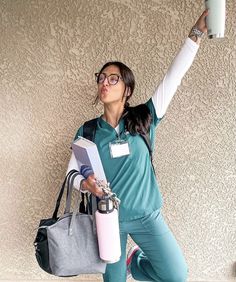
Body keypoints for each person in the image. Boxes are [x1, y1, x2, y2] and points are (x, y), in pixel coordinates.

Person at [66, 10, 208, 282]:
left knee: (176, 276)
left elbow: (174, 77)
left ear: (127, 89)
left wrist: (197, 32)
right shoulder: (89, 130)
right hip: (109, 222)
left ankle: (137, 263)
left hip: (147, 217)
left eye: (113, 78)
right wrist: (86, 184)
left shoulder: (144, 118)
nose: (104, 83)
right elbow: (71, 173)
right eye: (101, 78)